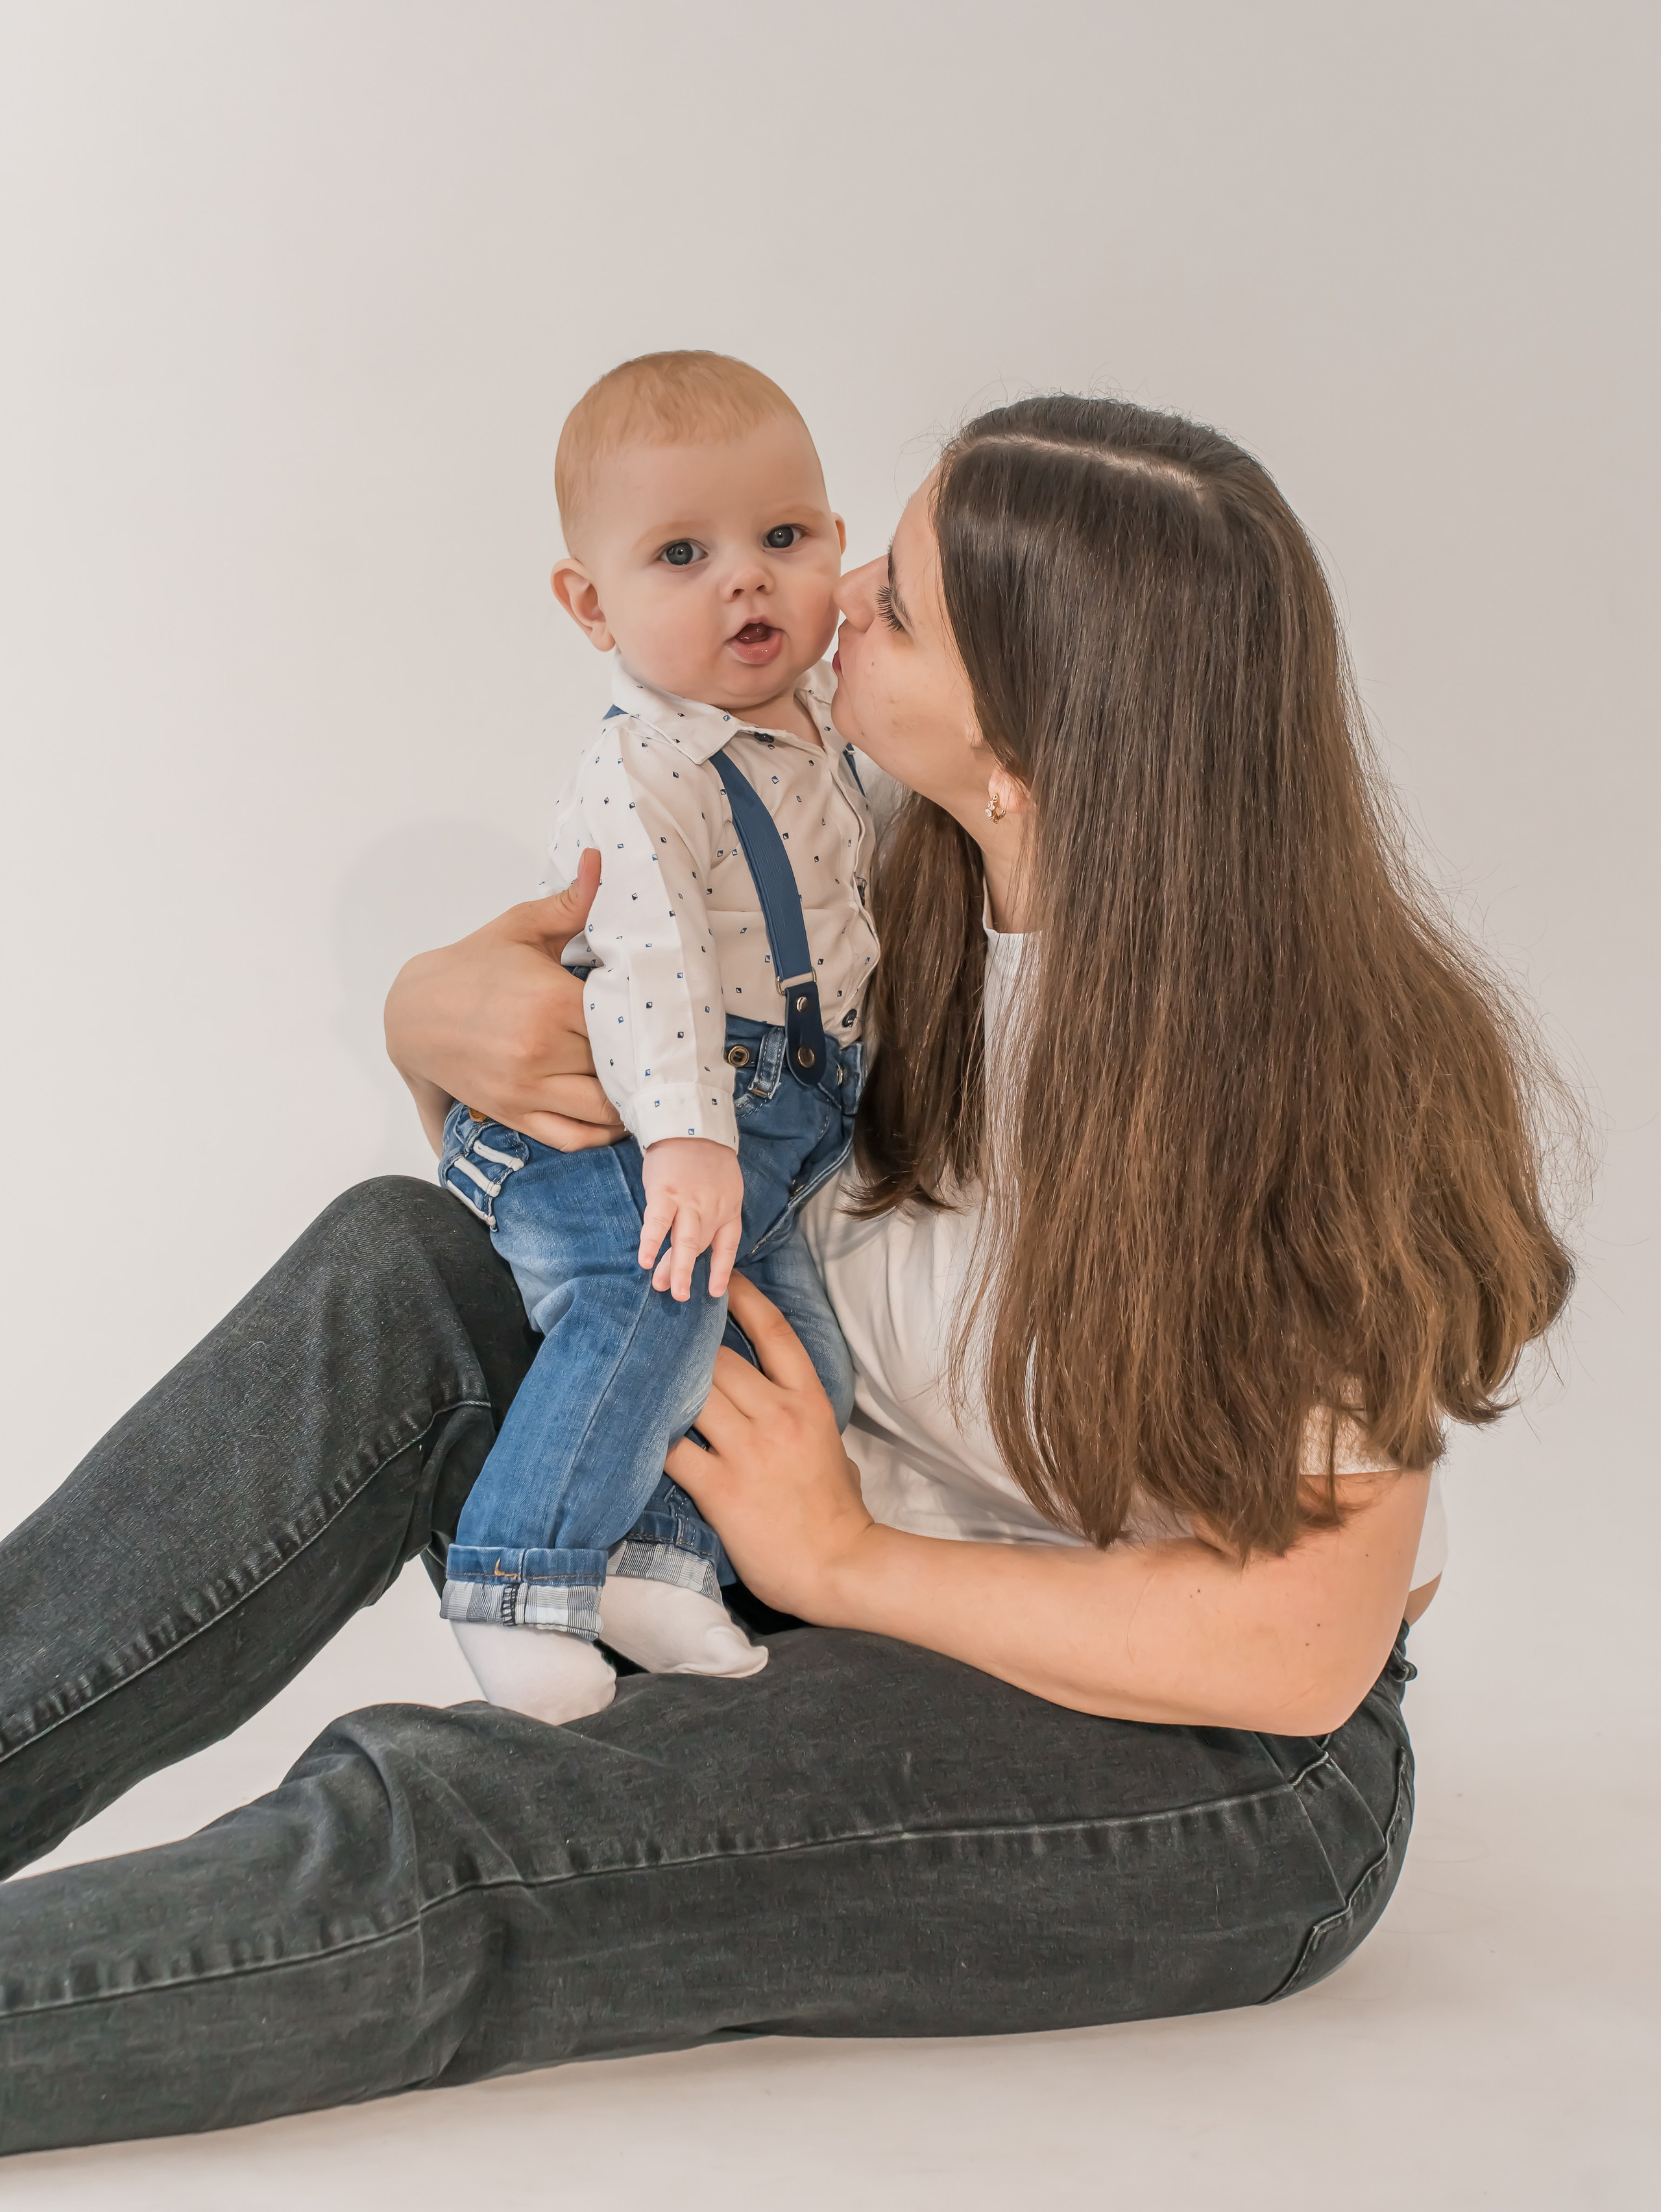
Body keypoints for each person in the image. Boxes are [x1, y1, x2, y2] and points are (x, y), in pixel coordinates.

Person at [0, 396, 1571, 2157]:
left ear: (1028, 751)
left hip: (1192, 1756)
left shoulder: (1332, 1087)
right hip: (782, 1567)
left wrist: (847, 1558)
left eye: (896, 602)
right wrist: (430, 1019)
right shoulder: (890, 907)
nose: (832, 599)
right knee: (401, 1261)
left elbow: (1292, 1650)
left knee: (466, 1828)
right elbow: (628, 1138)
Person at [433, 352, 877, 1724]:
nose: (743, 581)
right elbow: (649, 967)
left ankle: (661, 1563)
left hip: (778, 1126)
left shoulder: (820, 727)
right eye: (680, 553)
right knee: (651, 1303)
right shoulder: (642, 770)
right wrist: (686, 1140)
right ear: (589, 603)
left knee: (803, 1363)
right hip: (648, 1119)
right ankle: (514, 1582)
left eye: (781, 541)